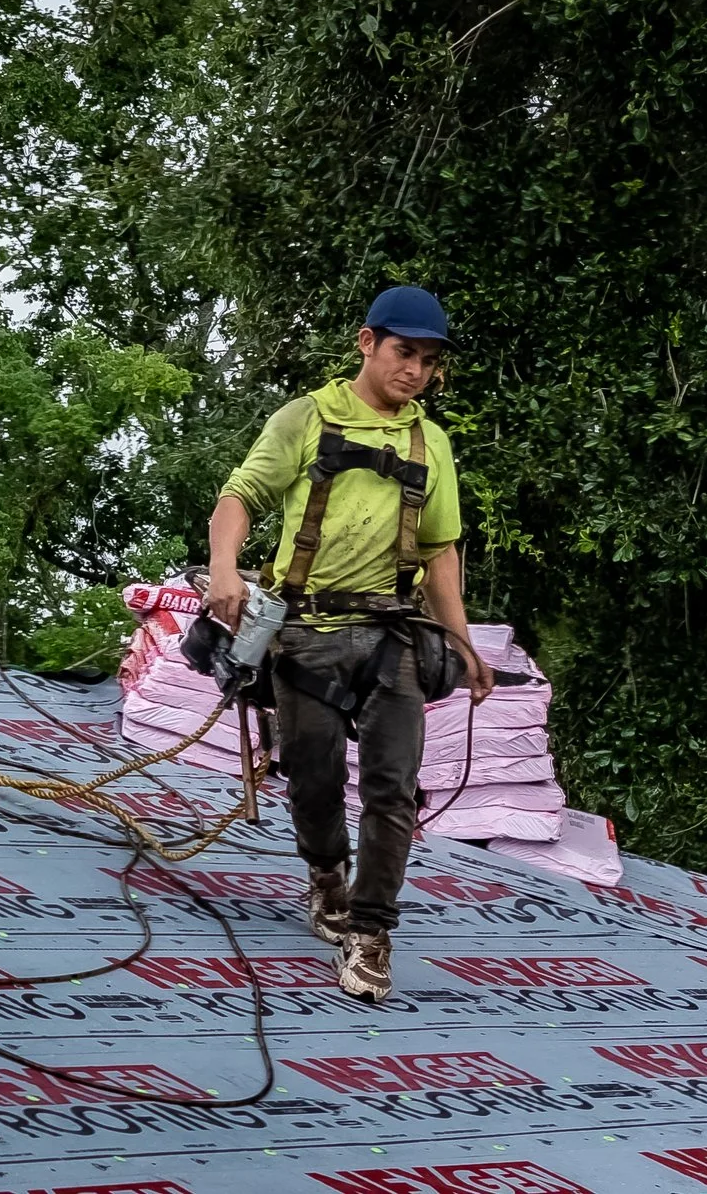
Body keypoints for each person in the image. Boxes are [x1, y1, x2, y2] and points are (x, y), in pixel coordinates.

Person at [203, 286, 494, 1002]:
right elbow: (239, 498)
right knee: (314, 778)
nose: (416, 372)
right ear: (368, 342)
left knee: (394, 788)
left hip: (392, 632)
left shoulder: (430, 443)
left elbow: (441, 553)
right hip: (305, 631)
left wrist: (463, 643)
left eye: (429, 361)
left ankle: (371, 933)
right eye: (404, 353)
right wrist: (222, 570)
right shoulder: (308, 418)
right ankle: (326, 874)